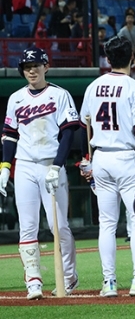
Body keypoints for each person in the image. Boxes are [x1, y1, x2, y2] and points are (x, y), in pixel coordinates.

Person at [79, 36, 135, 297]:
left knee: (107, 223)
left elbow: (84, 127)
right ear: (132, 56)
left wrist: (86, 159)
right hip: (126, 157)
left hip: (100, 157)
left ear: (108, 58)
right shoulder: (134, 88)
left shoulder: (93, 87)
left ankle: (109, 283)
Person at [0, 46, 79, 300]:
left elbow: (69, 132)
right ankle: (33, 281)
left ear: (46, 66)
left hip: (50, 164)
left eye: (35, 65)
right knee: (28, 227)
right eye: (26, 67)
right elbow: (10, 135)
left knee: (60, 226)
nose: (31, 70)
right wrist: (4, 167)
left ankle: (67, 276)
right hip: (24, 165)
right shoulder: (15, 98)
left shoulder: (60, 95)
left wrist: (57, 165)